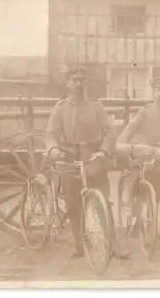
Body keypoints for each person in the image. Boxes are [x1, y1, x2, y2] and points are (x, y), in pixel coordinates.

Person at [45, 69, 117, 258]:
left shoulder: (96, 107)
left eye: (82, 81)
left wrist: (103, 151)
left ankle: (112, 244)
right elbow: (51, 133)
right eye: (74, 80)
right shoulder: (60, 108)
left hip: (93, 159)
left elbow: (110, 131)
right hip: (69, 160)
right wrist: (53, 149)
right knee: (73, 205)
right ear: (67, 84)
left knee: (104, 202)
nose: (79, 84)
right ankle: (79, 245)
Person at [117, 76, 160, 241]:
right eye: (158, 89)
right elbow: (128, 132)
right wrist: (123, 146)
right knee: (140, 188)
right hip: (148, 160)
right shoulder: (145, 112)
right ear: (153, 92)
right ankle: (138, 221)